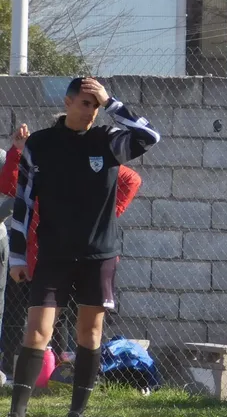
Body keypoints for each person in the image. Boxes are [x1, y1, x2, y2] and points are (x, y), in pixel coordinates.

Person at [0, 77, 159, 417]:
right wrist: (20, 256)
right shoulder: (40, 144)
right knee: (37, 331)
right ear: (69, 102)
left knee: (90, 334)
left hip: (98, 256)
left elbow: (150, 137)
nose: (91, 110)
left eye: (96, 105)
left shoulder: (108, 141)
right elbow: (23, 202)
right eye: (85, 103)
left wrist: (113, 102)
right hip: (53, 253)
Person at [0, 123, 142, 379]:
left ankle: (64, 372)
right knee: (23, 312)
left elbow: (131, 179)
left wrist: (109, 213)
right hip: (39, 251)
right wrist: (19, 151)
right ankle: (13, 371)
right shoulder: (44, 161)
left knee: (74, 320)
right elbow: (12, 188)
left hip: (86, 256)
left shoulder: (92, 161)